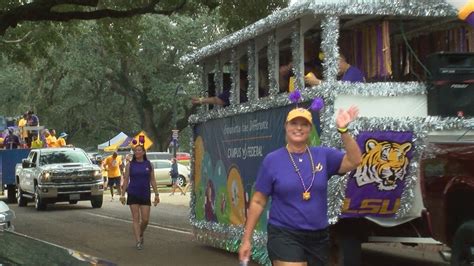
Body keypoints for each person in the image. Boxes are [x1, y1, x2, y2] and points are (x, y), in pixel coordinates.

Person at [238, 106, 362, 266]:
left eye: (304, 124)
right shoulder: (272, 160)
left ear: (310, 129)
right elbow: (258, 201)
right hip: (284, 233)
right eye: (293, 123)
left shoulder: (323, 155)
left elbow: (355, 161)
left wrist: (343, 130)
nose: (298, 128)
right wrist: (246, 239)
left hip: (318, 237)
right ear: (286, 126)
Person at [120, 145, 160, 250]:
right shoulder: (130, 165)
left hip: (145, 194)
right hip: (133, 193)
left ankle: (141, 233)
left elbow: (153, 180)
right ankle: (138, 241)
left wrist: (156, 194)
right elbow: (126, 179)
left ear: (143, 152)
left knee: (145, 220)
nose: (137, 152)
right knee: (135, 218)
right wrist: (122, 194)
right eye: (135, 150)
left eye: (139, 150)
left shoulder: (149, 164)